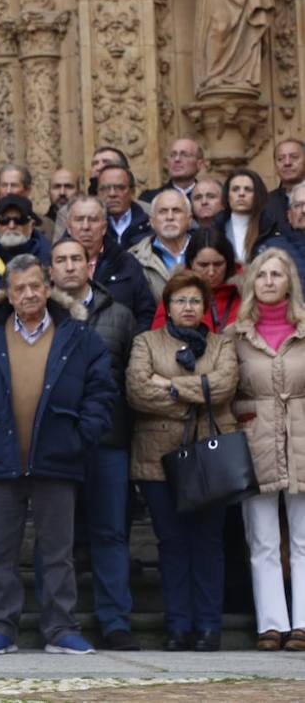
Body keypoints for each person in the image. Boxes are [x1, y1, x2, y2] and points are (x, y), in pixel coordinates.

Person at [0, 254, 116, 655]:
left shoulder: (79, 336)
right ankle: (1, 628)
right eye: (19, 287)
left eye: (35, 286)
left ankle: (60, 628)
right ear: (7, 293)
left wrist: (80, 437)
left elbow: (101, 393)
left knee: (58, 552)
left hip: (58, 458)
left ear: (48, 288)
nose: (27, 294)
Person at [127, 268, 239, 652]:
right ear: (168, 306)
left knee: (207, 543)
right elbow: (138, 392)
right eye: (180, 300)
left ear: (205, 307)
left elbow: (224, 388)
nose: (188, 307)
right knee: (172, 543)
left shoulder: (223, 345)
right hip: (157, 458)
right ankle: (178, 625)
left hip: (210, 456)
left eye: (195, 301)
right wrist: (196, 393)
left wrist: (169, 385)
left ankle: (208, 626)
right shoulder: (146, 342)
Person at [49, 236, 139, 650]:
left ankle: (115, 621)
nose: (69, 266)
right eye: (60, 260)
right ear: (50, 269)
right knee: (56, 537)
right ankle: (55, 620)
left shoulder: (119, 315)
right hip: (55, 442)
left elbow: (128, 382)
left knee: (109, 533)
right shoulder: (39, 317)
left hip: (108, 440)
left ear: (90, 265)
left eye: (76, 259)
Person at [228, 247, 305, 651]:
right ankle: (271, 624)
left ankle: (303, 623)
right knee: (262, 538)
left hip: (302, 439)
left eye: (278, 274)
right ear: (251, 283)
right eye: (263, 275)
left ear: (290, 281)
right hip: (254, 441)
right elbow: (227, 388)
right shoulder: (236, 335)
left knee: (304, 537)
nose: (270, 281)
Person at [65, 195, 157, 330]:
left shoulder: (126, 263)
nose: (85, 226)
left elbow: (146, 314)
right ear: (68, 227)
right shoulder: (54, 264)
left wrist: (133, 347)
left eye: (93, 220)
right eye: (79, 220)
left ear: (104, 227)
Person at [152, 227, 241, 332]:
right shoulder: (175, 293)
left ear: (229, 263)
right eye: (203, 265)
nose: (211, 272)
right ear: (191, 263)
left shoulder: (246, 293)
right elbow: (159, 338)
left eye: (218, 264)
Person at [130, 189, 193, 300]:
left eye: (177, 210)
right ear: (152, 221)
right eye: (163, 211)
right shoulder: (133, 258)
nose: (169, 217)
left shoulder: (207, 252)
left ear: (189, 220)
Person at [219, 168, 278, 264]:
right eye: (235, 189)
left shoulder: (270, 227)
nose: (241, 194)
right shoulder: (217, 227)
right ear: (227, 195)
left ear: (257, 195)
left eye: (248, 189)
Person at [0, 194, 51, 270]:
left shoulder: (48, 257)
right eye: (4, 220)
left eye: (19, 220)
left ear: (31, 225)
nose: (11, 226)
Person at [98, 165, 152, 251]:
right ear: (98, 193)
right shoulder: (90, 226)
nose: (112, 194)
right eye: (105, 188)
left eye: (120, 188)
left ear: (132, 192)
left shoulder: (150, 224)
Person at [138, 138, 204, 204]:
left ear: (199, 164)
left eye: (184, 155)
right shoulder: (149, 199)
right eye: (173, 155)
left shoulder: (207, 199)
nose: (177, 159)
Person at [265, 138, 305, 229]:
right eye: (280, 159)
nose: (287, 163)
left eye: (294, 157)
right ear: (275, 166)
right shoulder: (266, 203)